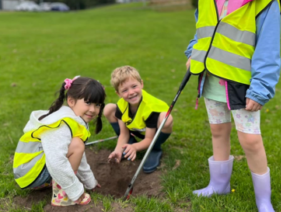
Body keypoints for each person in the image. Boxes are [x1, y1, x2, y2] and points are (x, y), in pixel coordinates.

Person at [185, 0, 281, 212]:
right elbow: (200, 34)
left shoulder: (266, 1)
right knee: (218, 133)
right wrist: (192, 54)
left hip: (243, 85)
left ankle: (263, 201)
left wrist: (261, 89)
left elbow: (268, 51)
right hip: (211, 81)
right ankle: (220, 185)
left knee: (250, 141)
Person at [13, 76, 106, 207]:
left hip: (36, 168)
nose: (93, 109)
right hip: (31, 174)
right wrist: (75, 190)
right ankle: (62, 196)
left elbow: (79, 156)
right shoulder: (62, 124)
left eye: (97, 105)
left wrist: (89, 182)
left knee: (77, 146)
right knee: (77, 145)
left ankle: (60, 183)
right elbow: (56, 162)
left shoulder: (74, 119)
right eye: (88, 102)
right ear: (71, 101)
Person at [104, 66, 173, 173]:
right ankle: (128, 144)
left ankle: (154, 149)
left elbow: (149, 139)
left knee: (166, 118)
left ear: (141, 84)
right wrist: (118, 150)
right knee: (108, 108)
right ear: (118, 93)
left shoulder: (150, 109)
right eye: (125, 90)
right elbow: (124, 133)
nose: (131, 92)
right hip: (136, 130)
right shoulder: (121, 105)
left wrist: (136, 147)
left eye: (134, 86)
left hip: (152, 135)